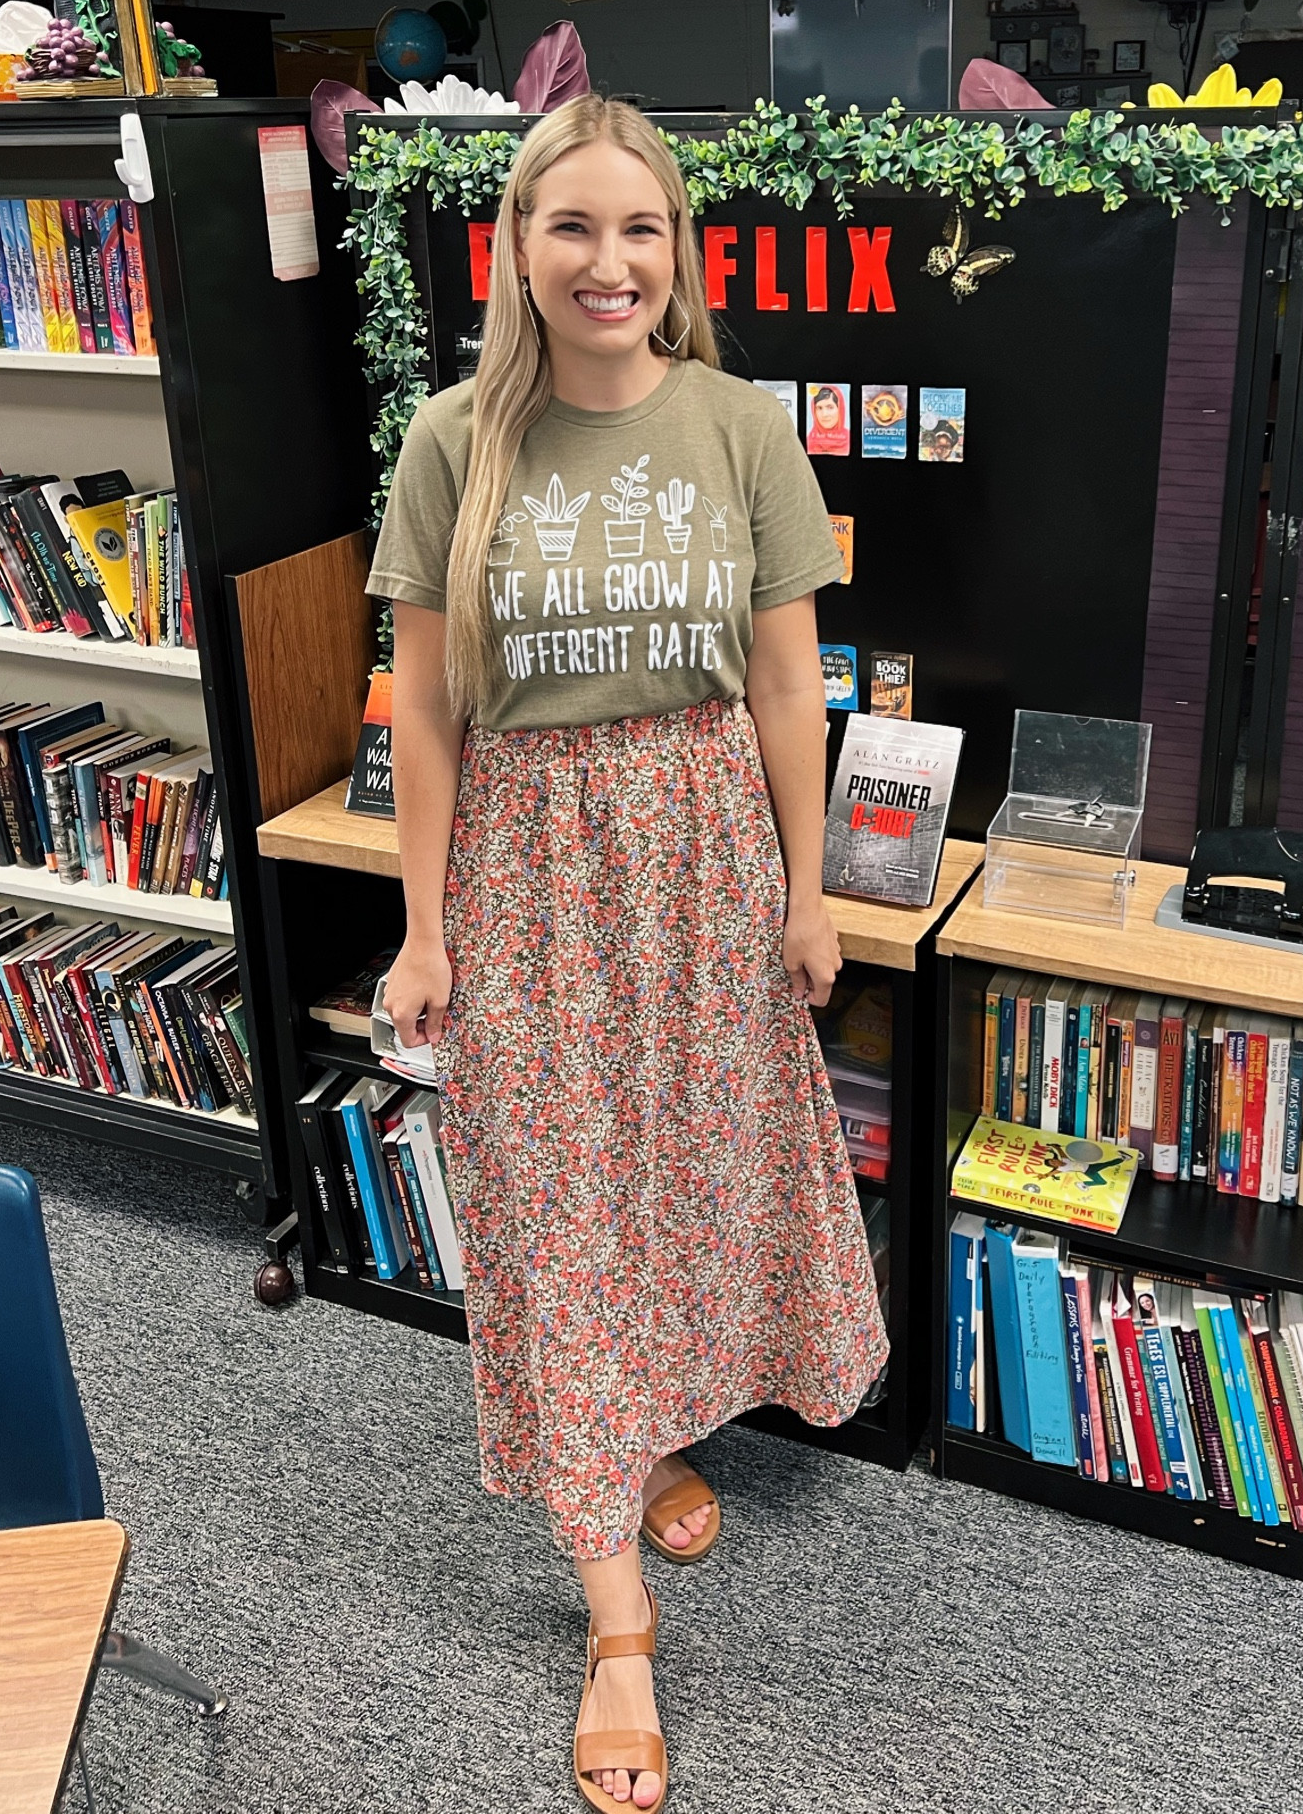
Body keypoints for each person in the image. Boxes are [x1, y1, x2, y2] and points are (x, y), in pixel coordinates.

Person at [367, 95, 889, 1813]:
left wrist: (809, 891)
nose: (610, 262)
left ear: (680, 250)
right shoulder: (454, 438)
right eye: (573, 226)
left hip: (706, 849)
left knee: (686, 1176)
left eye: (641, 228)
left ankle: (645, 1433)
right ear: (517, 247)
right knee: (558, 1204)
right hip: (529, 863)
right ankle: (617, 1626)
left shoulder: (740, 425)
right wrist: (424, 926)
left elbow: (790, 684)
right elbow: (425, 711)